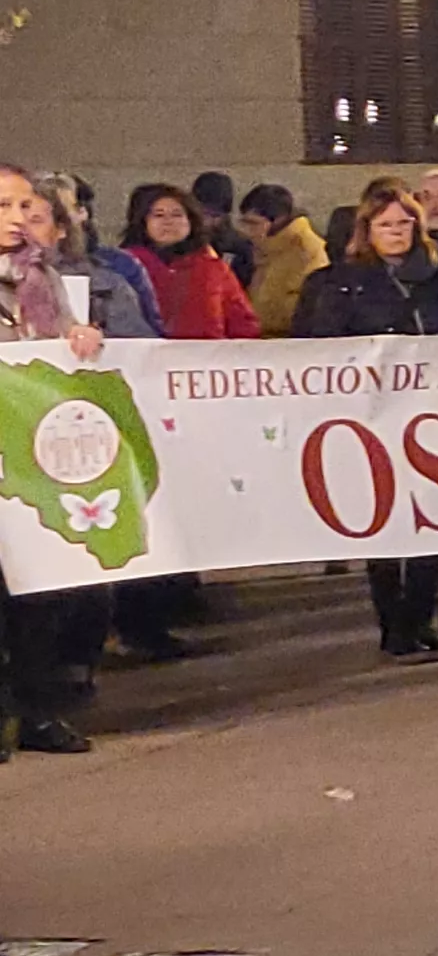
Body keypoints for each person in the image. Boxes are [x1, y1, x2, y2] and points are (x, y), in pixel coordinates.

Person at [0, 163, 117, 754]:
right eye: (2, 207)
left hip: (31, 457)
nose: (16, 220)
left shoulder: (43, 281)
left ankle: (38, 712)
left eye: (25, 207)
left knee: (40, 593)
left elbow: (63, 343)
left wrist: (83, 339)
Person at [119, 183, 257, 339]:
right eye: (158, 215)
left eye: (177, 214)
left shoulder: (212, 266)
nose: (168, 222)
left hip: (206, 360)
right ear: (142, 221)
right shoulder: (123, 267)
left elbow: (243, 323)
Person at [238, 183, 326, 336]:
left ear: (278, 220)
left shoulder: (309, 250)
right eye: (244, 223)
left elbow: (309, 310)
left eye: (254, 223)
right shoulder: (264, 248)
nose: (248, 232)